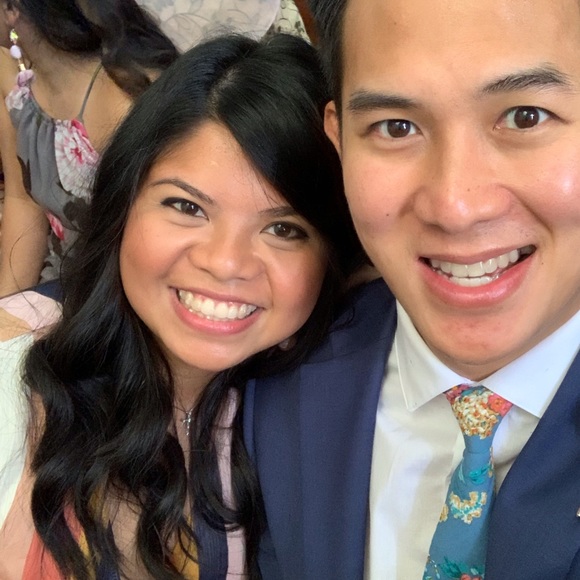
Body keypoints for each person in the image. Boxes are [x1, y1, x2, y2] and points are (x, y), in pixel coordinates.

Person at [0, 33, 363, 579]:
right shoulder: (14, 373)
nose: (225, 262)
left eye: (283, 229)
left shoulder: (325, 416)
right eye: (187, 206)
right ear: (124, 202)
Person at [243, 0, 580, 578]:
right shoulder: (273, 386)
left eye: (525, 117)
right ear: (339, 142)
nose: (456, 207)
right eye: (396, 127)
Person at [0, 0, 178, 298]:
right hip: (60, 281)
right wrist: (6, 308)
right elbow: (23, 199)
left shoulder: (128, 99)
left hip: (125, 294)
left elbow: (157, 248)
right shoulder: (13, 78)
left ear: (12, 8)